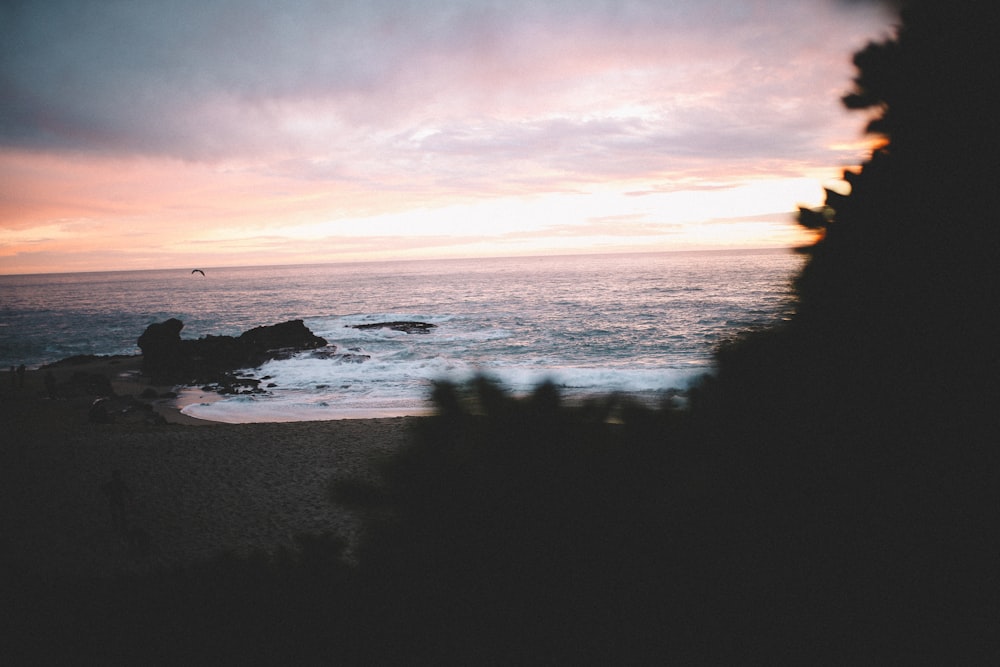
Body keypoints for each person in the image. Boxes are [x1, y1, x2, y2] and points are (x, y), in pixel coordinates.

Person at [101, 470, 132, 534]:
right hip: (114, 499)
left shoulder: (119, 483)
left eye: (118, 475)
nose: (117, 477)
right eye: (116, 475)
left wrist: (130, 496)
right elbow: (103, 488)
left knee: (121, 514)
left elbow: (127, 490)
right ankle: (116, 527)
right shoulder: (112, 483)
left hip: (119, 499)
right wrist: (106, 493)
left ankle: (122, 527)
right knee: (115, 513)